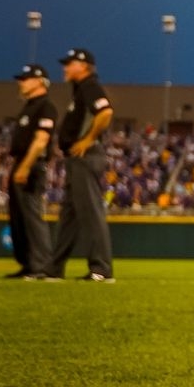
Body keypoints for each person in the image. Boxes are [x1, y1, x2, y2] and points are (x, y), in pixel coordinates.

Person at [45, 46, 115, 282]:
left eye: (70, 63)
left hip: (87, 156)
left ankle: (101, 269)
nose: (65, 68)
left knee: (91, 213)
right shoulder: (80, 90)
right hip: (77, 159)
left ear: (83, 66)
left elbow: (105, 112)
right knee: (69, 216)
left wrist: (87, 139)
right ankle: (54, 268)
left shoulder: (89, 86)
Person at [5, 63, 57, 280]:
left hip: (32, 165)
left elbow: (41, 140)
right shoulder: (29, 107)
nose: (21, 82)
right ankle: (28, 263)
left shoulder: (46, 106)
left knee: (32, 216)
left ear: (39, 81)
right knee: (19, 218)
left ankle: (42, 266)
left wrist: (25, 166)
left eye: (25, 78)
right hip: (21, 163)